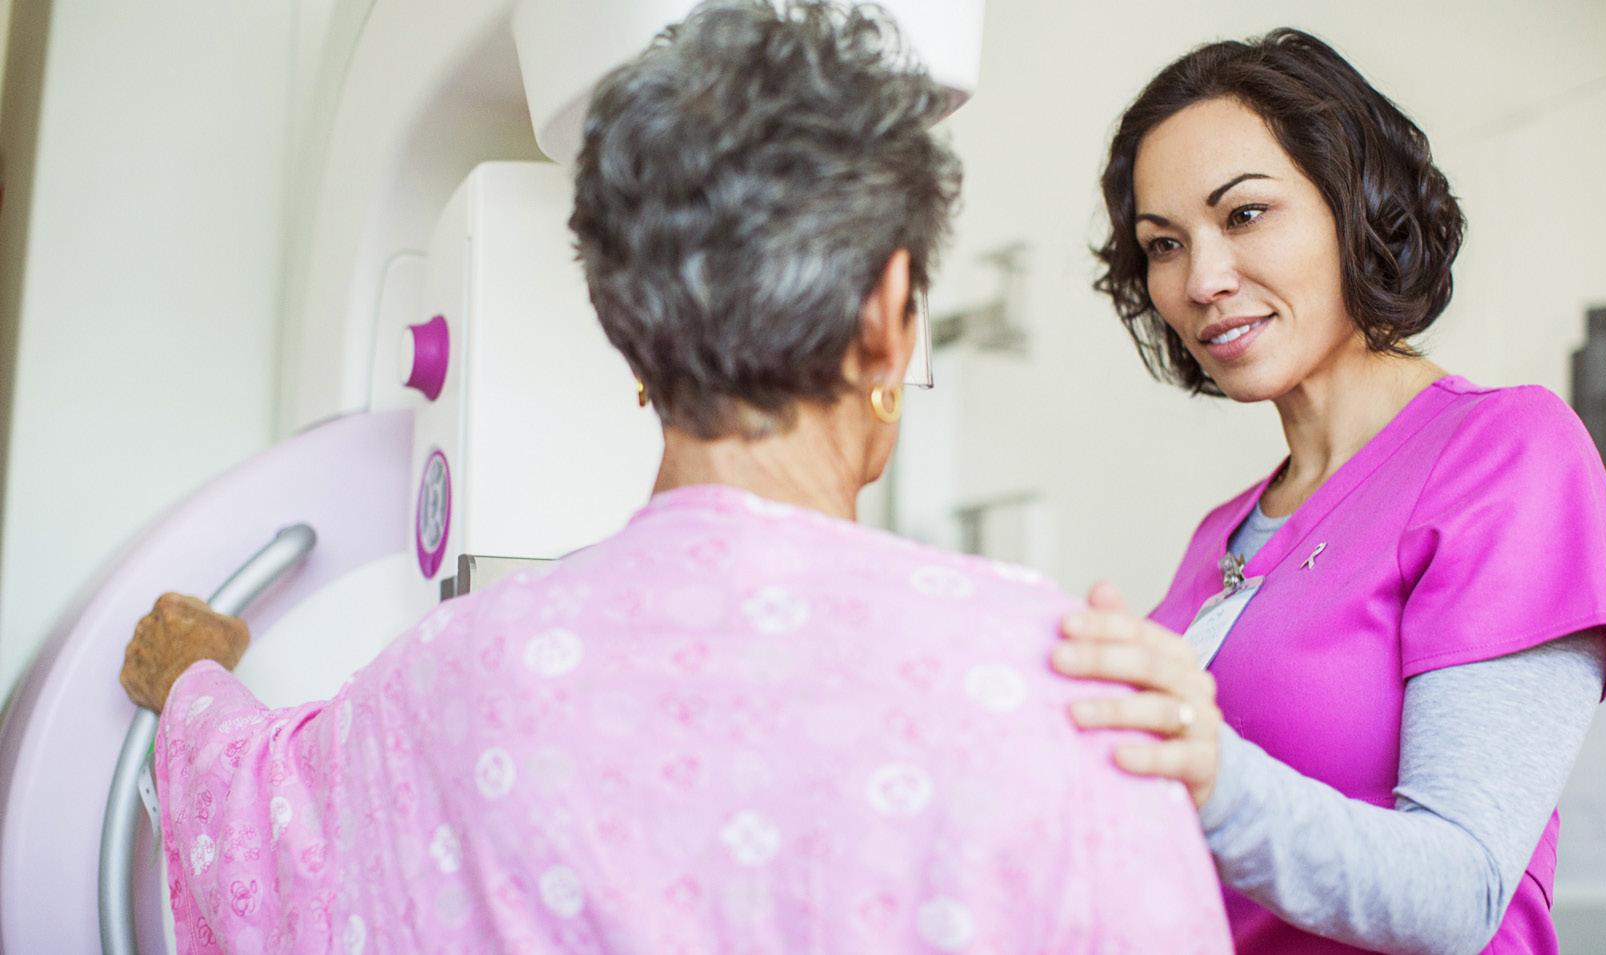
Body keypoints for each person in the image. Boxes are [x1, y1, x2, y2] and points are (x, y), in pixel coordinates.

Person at [120, 2, 1233, 952]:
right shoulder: (1067, 689)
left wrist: (191, 680)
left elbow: (259, 826)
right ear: (890, 319)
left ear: (630, 339)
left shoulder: (449, 679)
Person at [1049, 28, 1606, 955]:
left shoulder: (1502, 453)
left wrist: (1212, 777)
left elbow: (1459, 891)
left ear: (1354, 205)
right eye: (1164, 244)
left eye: (1244, 214)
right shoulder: (1218, 534)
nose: (1201, 280)